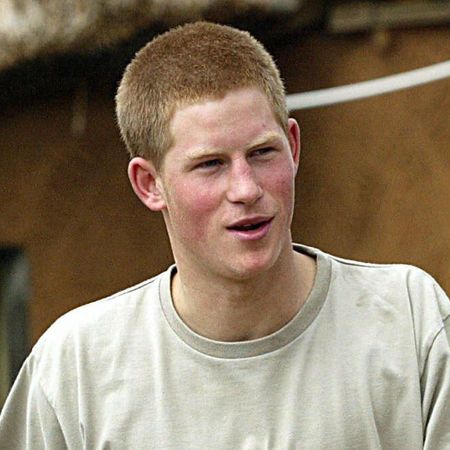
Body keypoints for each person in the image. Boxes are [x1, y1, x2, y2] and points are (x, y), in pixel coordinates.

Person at [1, 21, 449, 450]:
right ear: (149, 184)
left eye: (262, 153)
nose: (246, 189)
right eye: (210, 164)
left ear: (293, 147)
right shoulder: (76, 370)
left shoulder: (410, 323)